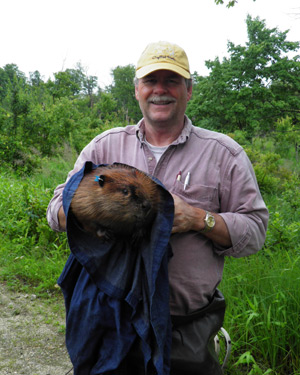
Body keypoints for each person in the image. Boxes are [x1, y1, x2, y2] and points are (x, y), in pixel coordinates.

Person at [47, 41, 269, 374]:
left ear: (189, 91)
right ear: (137, 90)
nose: (160, 90)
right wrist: (92, 210)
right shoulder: (105, 145)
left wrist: (198, 219)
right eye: (151, 81)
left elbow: (255, 233)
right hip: (108, 319)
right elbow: (55, 211)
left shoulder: (224, 154)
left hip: (184, 328)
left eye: (172, 81)